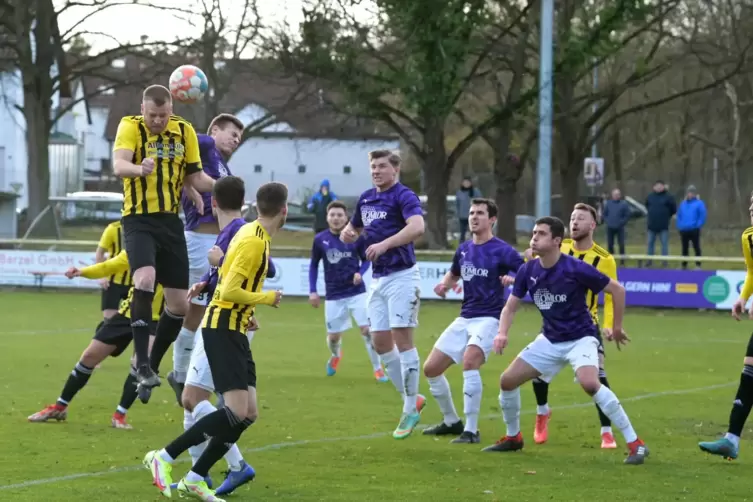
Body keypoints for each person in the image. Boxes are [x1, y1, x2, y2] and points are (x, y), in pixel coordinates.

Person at [144, 182, 286, 501]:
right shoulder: (252, 240)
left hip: (233, 326)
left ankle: (195, 477)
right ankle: (164, 457)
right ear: (285, 211)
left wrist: (241, 304)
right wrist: (266, 297)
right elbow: (228, 291)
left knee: (248, 412)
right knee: (234, 410)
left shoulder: (254, 236)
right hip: (222, 327)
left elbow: (223, 281)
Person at [481, 216, 649, 465]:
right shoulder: (528, 269)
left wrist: (616, 327)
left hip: (581, 338)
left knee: (590, 383)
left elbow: (617, 290)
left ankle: (636, 444)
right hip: (549, 340)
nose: (534, 238)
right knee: (507, 381)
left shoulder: (575, 268)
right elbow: (510, 307)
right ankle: (513, 437)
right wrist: (502, 333)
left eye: (541, 234)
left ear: (557, 241)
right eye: (534, 233)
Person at [112, 84, 216, 395]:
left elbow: (196, 176)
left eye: (163, 115)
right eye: (152, 115)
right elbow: (118, 165)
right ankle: (142, 363)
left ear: (172, 110)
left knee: (179, 306)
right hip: (138, 219)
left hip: (171, 222)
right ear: (142, 109)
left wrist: (224, 186)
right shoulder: (130, 126)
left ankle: (150, 365)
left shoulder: (184, 131)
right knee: (144, 279)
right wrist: (138, 168)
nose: (157, 120)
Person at [169, 176, 260, 496]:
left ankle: (203, 467)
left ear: (213, 204)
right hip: (225, 320)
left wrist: (220, 261)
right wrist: (208, 280)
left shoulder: (237, 230)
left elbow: (264, 266)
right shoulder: (235, 230)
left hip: (224, 324)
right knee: (219, 405)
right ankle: (208, 474)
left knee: (197, 400)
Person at [340, 150, 427, 440]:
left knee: (403, 341)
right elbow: (354, 228)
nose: (376, 171)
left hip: (402, 276)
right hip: (377, 278)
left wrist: (386, 244)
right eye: (373, 166)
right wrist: (348, 234)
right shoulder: (366, 198)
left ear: (396, 169)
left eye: (382, 166)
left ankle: (409, 408)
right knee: (379, 342)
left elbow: (417, 227)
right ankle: (411, 397)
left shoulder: (404, 196)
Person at [422, 198, 523, 444]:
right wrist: (445, 284)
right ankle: (451, 421)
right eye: (471, 213)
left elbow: (528, 272)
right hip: (465, 317)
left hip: (489, 318)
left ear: (492, 219)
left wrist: (513, 279)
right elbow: (455, 271)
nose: (474, 217)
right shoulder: (465, 248)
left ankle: (471, 430)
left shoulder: (502, 250)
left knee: (469, 362)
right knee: (431, 369)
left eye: (479, 213)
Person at [27, 251, 164, 429]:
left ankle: (119, 416)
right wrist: (82, 272)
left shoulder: (176, 254)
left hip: (154, 321)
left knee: (139, 365)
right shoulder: (137, 247)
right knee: (89, 356)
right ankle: (59, 407)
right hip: (126, 314)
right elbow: (109, 265)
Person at [526, 203, 620, 449]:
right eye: (571, 217)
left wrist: (610, 325)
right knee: (537, 373)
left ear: (592, 225)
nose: (574, 222)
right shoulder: (560, 246)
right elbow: (532, 261)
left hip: (587, 324)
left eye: (580, 218)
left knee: (597, 377)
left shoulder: (604, 258)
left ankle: (607, 431)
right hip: (555, 322)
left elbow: (612, 294)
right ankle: (542, 412)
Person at [169, 113, 243, 398]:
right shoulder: (205, 144)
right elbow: (185, 141)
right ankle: (203, 377)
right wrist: (189, 186)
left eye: (239, 137)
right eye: (231, 133)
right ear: (214, 129)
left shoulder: (221, 165)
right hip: (202, 240)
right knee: (214, 310)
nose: (236, 140)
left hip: (213, 241)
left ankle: (180, 374)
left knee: (198, 312)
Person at [698, 192, 753, 460]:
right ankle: (731, 439)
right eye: (752, 203)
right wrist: (742, 298)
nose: (752, 208)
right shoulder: (749, 237)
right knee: (749, 373)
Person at [308, 200, 387, 381]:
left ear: (346, 218)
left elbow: (367, 259)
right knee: (334, 337)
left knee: (368, 331)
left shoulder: (356, 237)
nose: (336, 218)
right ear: (327, 218)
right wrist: (313, 291)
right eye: (332, 215)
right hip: (334, 295)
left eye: (340, 215)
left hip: (357, 293)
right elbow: (313, 266)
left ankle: (378, 368)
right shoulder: (320, 240)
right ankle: (336, 356)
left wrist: (360, 272)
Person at [95, 220, 133, 323]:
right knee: (109, 320)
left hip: (134, 283)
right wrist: (102, 276)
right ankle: (101, 339)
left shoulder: (143, 228)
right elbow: (100, 253)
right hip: (112, 281)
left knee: (136, 320)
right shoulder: (113, 228)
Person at [645, 180, 676, 266]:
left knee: (664, 244)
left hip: (663, 225)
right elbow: (647, 206)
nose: (658, 187)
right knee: (650, 244)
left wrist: (666, 216)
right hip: (651, 225)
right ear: (654, 187)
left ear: (663, 187)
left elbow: (673, 209)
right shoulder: (650, 197)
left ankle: (664, 261)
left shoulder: (669, 197)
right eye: (657, 186)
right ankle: (649, 261)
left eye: (660, 186)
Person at [676, 185, 707, 270]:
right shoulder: (683, 203)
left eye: (692, 193)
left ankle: (698, 265)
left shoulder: (699, 203)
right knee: (684, 248)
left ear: (695, 194)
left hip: (694, 229)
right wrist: (680, 225)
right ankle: (684, 265)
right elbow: (679, 215)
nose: (690, 194)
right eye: (689, 193)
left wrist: (698, 225)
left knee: (696, 247)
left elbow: (702, 215)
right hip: (684, 229)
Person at [602, 188, 630, 262]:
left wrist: (622, 222)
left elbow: (627, 215)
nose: (616, 196)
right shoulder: (608, 203)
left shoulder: (624, 204)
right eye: (615, 194)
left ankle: (622, 261)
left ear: (620, 195)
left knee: (621, 244)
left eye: (618, 194)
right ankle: (611, 260)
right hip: (610, 227)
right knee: (610, 244)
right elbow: (604, 214)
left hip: (620, 227)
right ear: (612, 195)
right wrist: (608, 221)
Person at [455, 177, 482, 242]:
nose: (466, 184)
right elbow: (457, 204)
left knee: (473, 231)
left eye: (467, 182)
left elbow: (480, 202)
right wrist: (457, 213)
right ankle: (462, 244)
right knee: (462, 231)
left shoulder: (475, 192)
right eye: (464, 182)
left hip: (473, 215)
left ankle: (475, 244)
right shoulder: (459, 192)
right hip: (462, 215)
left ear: (470, 183)